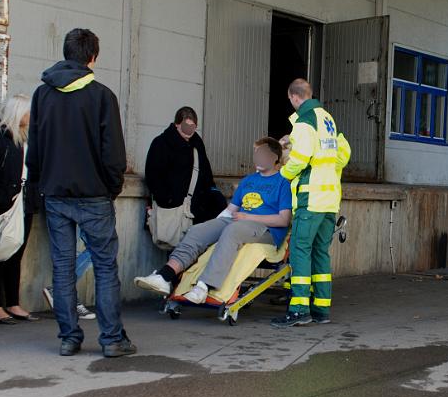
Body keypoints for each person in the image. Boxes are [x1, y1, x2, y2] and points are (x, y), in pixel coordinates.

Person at [27, 28, 135, 357]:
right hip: (95, 196)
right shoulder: (102, 96)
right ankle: (112, 339)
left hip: (56, 195)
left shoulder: (42, 95)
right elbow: (114, 154)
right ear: (93, 57)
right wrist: (111, 188)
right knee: (104, 267)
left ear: (65, 52)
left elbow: (35, 150)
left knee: (62, 267)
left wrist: (39, 186)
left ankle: (69, 338)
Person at [134, 137, 292, 302]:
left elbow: (283, 220)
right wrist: (213, 227)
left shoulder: (283, 183)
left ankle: (204, 286)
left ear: (274, 158)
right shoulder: (248, 181)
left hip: (266, 230)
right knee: (198, 231)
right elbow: (230, 211)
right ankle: (165, 276)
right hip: (239, 222)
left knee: (233, 230)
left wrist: (248, 217)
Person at [271, 79, 351, 328]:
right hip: (329, 200)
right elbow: (342, 155)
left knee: (300, 252)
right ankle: (321, 309)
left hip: (310, 198)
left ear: (293, 97)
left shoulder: (305, 122)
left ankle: (298, 309)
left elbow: (300, 159)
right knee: (320, 253)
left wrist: (281, 175)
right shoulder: (327, 119)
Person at [0, 94, 40, 324]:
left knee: (16, 253)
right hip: (1, 205)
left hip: (24, 204)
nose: (32, 116)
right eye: (28, 111)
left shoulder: (27, 138)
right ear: (18, 112)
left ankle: (13, 303)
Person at [145, 106, 226, 226]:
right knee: (169, 240)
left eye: (192, 127)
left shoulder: (197, 144)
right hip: (171, 210)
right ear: (177, 124)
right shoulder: (161, 143)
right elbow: (153, 176)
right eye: (185, 127)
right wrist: (168, 201)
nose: (189, 131)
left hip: (197, 209)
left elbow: (206, 174)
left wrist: (216, 197)